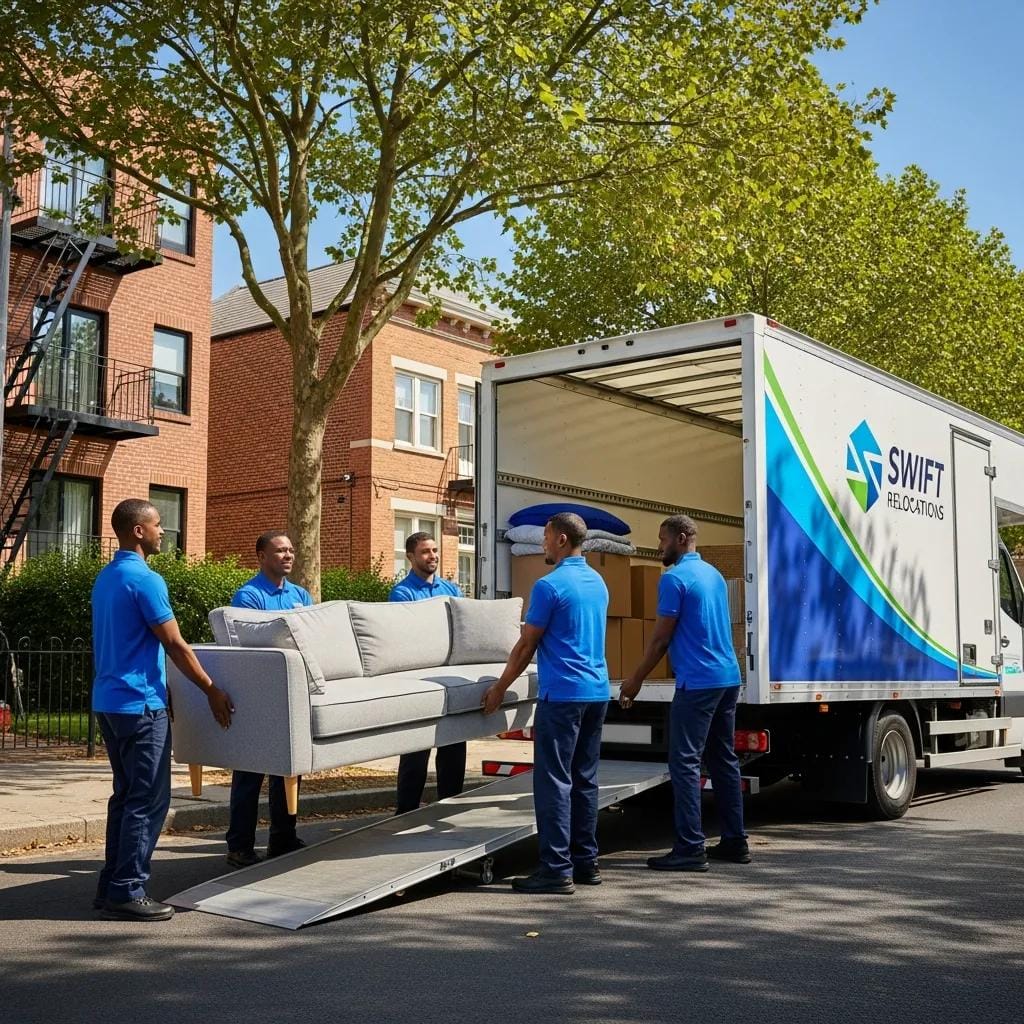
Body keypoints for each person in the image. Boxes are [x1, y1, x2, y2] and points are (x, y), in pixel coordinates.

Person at [91, 498, 233, 921]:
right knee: (148, 799)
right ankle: (127, 889)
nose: (163, 531)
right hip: (139, 705)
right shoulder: (146, 580)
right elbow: (174, 643)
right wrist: (211, 689)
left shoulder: (107, 577)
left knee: (125, 796)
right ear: (139, 531)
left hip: (109, 702)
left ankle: (111, 885)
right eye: (157, 524)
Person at [483, 512, 609, 895]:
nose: (542, 544)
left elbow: (526, 645)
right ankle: (586, 862)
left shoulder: (549, 586)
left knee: (554, 781)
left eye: (546, 537)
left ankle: (555, 869)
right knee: (585, 780)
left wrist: (500, 688)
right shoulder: (598, 582)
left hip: (564, 695)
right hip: (597, 692)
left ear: (561, 540)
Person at [618, 514, 749, 871]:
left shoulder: (674, 579)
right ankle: (735, 841)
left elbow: (661, 639)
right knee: (723, 760)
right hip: (727, 678)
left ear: (680, 538)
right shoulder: (713, 575)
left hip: (698, 682)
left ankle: (690, 848)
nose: (659, 546)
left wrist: (635, 680)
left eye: (662, 539)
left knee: (685, 763)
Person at [225, 530, 313, 867]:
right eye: (280, 551)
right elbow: (255, 647)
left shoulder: (301, 595)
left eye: (290, 550)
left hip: (292, 694)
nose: (288, 555)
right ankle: (240, 846)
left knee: (289, 771)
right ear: (261, 556)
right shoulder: (249, 597)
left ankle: (283, 838)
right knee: (250, 774)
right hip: (259, 696)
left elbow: (311, 640)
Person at [389, 532, 465, 814]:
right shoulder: (402, 593)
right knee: (416, 750)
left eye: (434, 550)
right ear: (410, 557)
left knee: (454, 747)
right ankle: (406, 813)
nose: (432, 556)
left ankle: (450, 809)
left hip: (449, 676)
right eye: (425, 552)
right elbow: (411, 637)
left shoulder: (451, 589)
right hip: (419, 679)